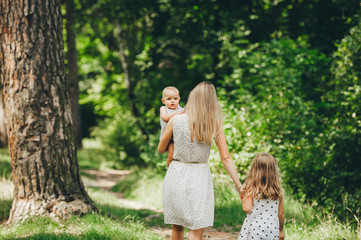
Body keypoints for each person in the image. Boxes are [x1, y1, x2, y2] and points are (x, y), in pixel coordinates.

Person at [158, 81, 242, 240]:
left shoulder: (175, 119)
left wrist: (173, 143)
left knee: (177, 228)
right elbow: (226, 157)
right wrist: (239, 186)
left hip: (176, 173)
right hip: (200, 176)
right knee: (196, 230)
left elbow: (161, 148)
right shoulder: (214, 124)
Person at [238, 153, 285, 240]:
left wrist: (242, 197)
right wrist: (281, 230)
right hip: (272, 230)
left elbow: (247, 208)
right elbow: (281, 215)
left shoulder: (251, 189)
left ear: (254, 170)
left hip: (254, 229)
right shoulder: (278, 192)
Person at [160, 86, 184, 167]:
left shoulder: (181, 109)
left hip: (179, 137)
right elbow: (165, 118)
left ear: (179, 99)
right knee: (171, 156)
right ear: (163, 101)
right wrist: (176, 113)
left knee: (181, 157)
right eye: (169, 99)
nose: (172, 101)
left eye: (175, 98)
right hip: (169, 138)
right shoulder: (163, 109)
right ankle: (170, 171)